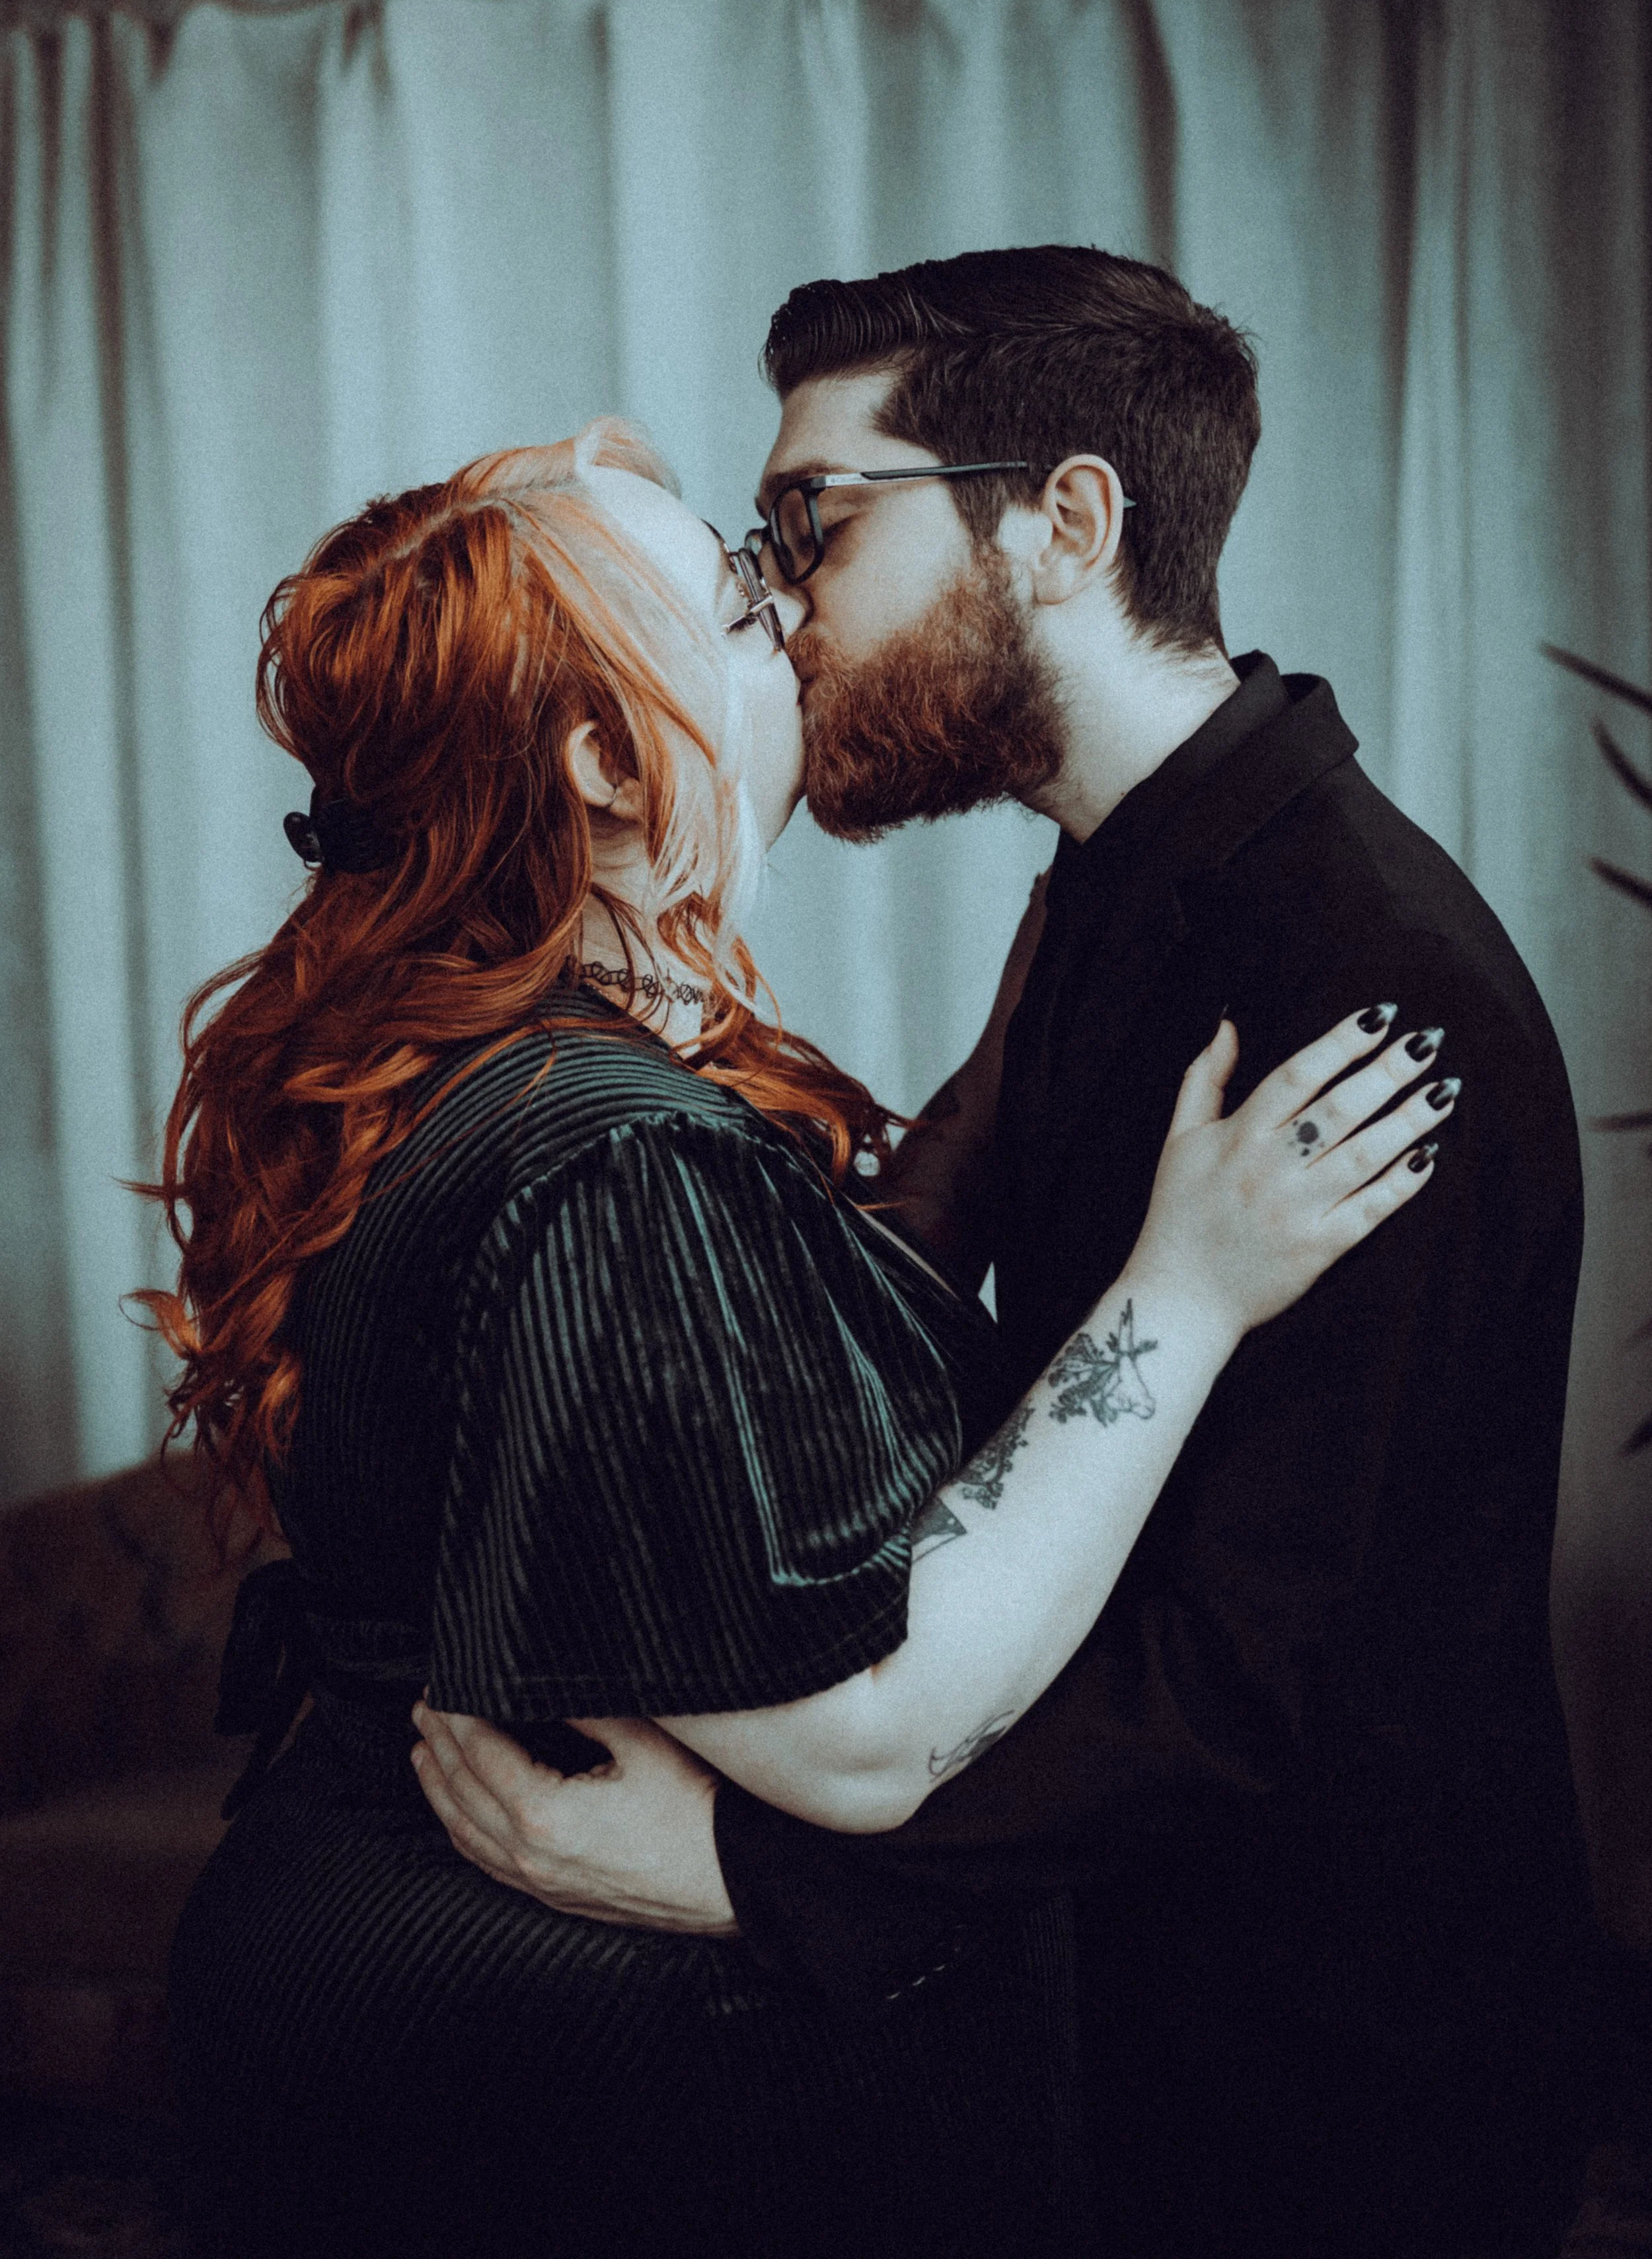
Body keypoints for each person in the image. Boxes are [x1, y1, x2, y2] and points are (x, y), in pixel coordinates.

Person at [410, 249, 1602, 2259]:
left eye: (816, 523)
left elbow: (1238, 1681)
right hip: (1125, 2011)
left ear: (1060, 522)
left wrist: (745, 1871)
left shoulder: (1359, 977)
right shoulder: (1114, 881)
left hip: (1335, 2062)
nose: (778, 601)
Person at [148, 416, 1440, 2259]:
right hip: (534, 2059)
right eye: (742, 605)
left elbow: (734, 1390)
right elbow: (870, 1735)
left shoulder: (430, 1041)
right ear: (602, 758)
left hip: (345, 1950)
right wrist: (1192, 1278)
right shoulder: (610, 1159)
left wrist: (1011, 1060)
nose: (797, 624)